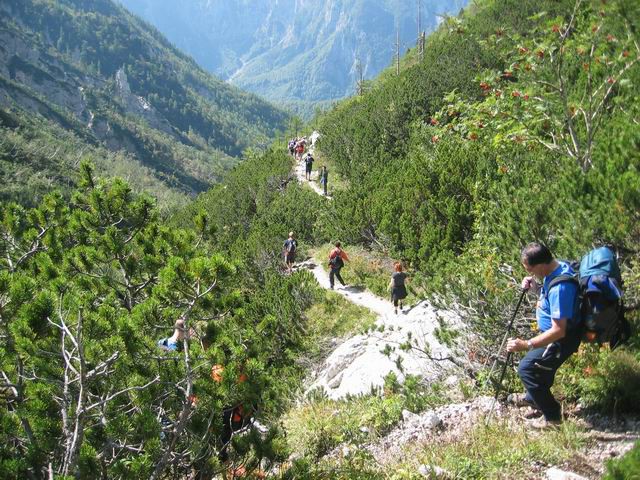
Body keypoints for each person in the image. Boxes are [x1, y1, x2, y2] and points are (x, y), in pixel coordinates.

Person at [506, 243, 582, 428]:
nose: (530, 273)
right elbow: (550, 297)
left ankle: (553, 417)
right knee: (539, 368)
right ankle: (533, 398)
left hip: (560, 340)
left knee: (527, 369)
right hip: (553, 336)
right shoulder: (557, 269)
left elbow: (559, 330)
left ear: (540, 265)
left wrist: (526, 344)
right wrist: (536, 288)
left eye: (530, 269)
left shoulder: (560, 288)